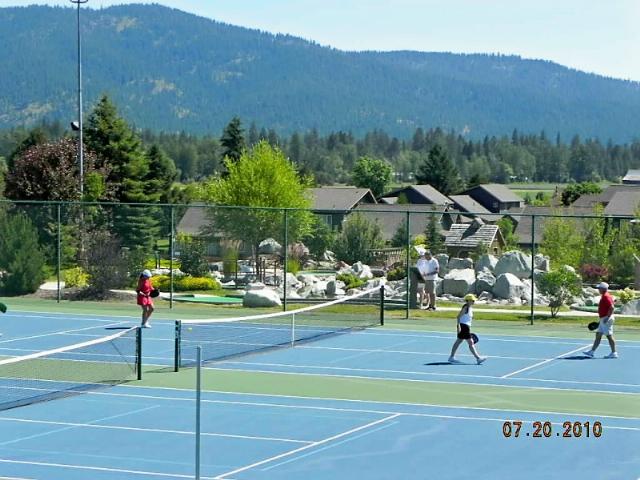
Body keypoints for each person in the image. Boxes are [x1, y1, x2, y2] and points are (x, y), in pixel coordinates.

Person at [449, 294, 486, 365]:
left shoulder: (470, 308)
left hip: (466, 326)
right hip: (464, 327)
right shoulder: (466, 307)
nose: (473, 301)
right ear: (468, 301)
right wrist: (458, 327)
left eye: (473, 300)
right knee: (470, 342)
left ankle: (451, 357)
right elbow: (458, 316)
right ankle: (478, 358)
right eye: (472, 300)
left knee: (458, 342)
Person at [583, 282, 618, 358]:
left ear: (603, 289)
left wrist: (607, 318)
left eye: (599, 288)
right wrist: (600, 321)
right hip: (604, 318)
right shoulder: (605, 296)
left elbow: (612, 307)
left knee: (609, 336)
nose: (598, 289)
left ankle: (614, 353)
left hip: (606, 318)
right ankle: (591, 352)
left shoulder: (606, 296)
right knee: (598, 335)